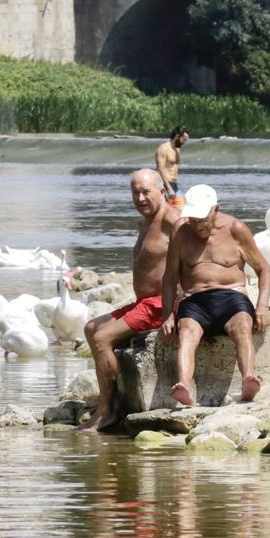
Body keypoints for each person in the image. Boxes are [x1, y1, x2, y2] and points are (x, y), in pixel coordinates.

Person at [80, 169, 183, 431]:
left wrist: (174, 312)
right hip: (143, 303)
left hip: (160, 304)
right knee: (91, 328)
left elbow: (190, 265)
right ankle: (108, 399)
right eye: (135, 192)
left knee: (103, 338)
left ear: (161, 191)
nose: (140, 198)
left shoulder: (173, 221)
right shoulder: (144, 222)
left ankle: (107, 410)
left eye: (146, 191)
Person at [160, 184, 270, 405]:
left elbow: (263, 269)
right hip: (195, 300)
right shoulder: (181, 232)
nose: (198, 226)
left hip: (232, 297)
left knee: (241, 326)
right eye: (193, 220)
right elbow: (170, 277)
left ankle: (248, 379)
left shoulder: (236, 230)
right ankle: (183, 387)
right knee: (187, 332)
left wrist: (262, 305)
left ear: (216, 209)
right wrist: (167, 315)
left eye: (202, 220)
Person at [155, 125, 190, 200]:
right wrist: (169, 189)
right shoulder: (163, 148)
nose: (184, 143)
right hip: (164, 186)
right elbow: (160, 170)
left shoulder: (177, 150)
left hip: (174, 185)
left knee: (181, 208)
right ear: (177, 136)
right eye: (183, 140)